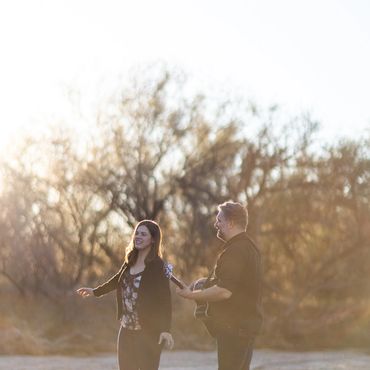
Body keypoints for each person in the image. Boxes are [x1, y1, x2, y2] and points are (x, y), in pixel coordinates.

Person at [77, 219, 174, 370]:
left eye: (143, 234)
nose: (138, 237)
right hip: (126, 331)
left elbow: (165, 299)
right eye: (137, 233)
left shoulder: (157, 266)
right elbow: (117, 280)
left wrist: (165, 329)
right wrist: (95, 292)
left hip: (149, 332)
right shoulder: (131, 260)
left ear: (153, 239)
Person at [177, 201, 263, 370]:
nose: (216, 224)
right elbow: (234, 285)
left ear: (231, 223)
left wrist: (191, 295)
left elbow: (224, 291)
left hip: (234, 330)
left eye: (219, 221)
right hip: (244, 329)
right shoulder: (250, 248)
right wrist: (204, 283)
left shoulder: (235, 251)